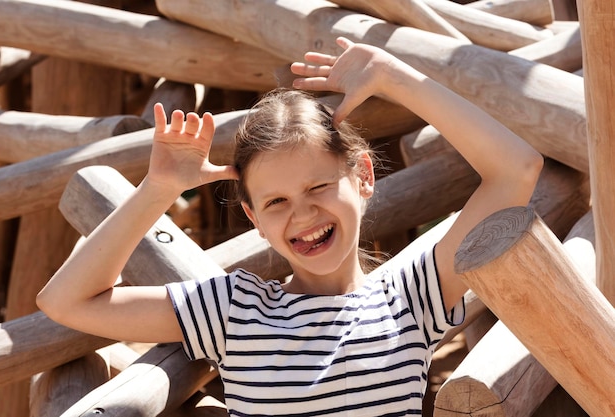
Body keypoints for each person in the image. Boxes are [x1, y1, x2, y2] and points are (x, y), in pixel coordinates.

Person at [37, 37, 543, 416]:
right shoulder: (233, 309)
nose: (302, 216)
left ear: (363, 176)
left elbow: (517, 169)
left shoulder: (409, 298)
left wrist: (394, 76)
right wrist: (158, 189)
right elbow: (65, 302)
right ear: (254, 219)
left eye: (319, 188)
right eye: (276, 201)